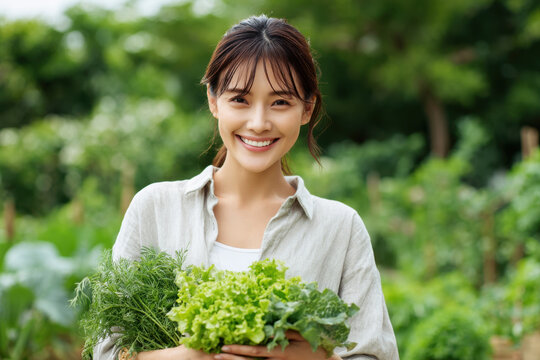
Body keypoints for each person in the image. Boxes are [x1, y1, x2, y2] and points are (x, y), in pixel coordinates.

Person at [95, 15, 399, 360]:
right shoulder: (155, 208)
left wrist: (317, 358)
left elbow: (375, 354)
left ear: (306, 108)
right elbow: (107, 352)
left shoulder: (341, 228)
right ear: (213, 101)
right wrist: (191, 356)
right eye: (240, 99)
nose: (258, 123)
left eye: (280, 102)